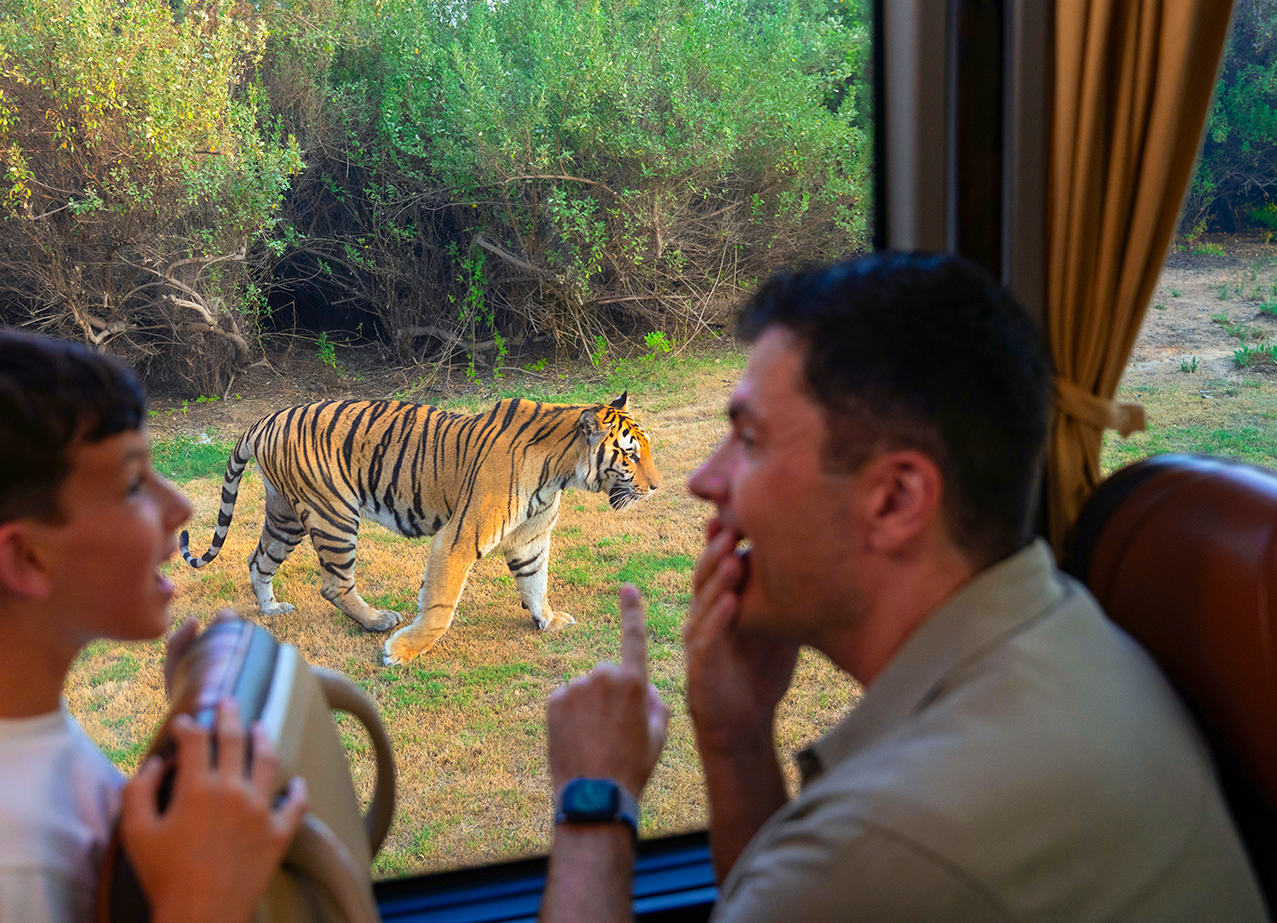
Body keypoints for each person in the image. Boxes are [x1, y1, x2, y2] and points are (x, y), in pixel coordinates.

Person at [540, 253, 1267, 922]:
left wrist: (593, 802)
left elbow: (831, 877)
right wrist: (735, 741)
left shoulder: (888, 841)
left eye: (752, 441)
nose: (701, 481)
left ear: (894, 501)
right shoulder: (1069, 631)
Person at [0, 329, 309, 923]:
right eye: (134, 484)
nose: (181, 507)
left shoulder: (2, 734)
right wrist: (203, 903)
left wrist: (178, 731)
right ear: (27, 560)